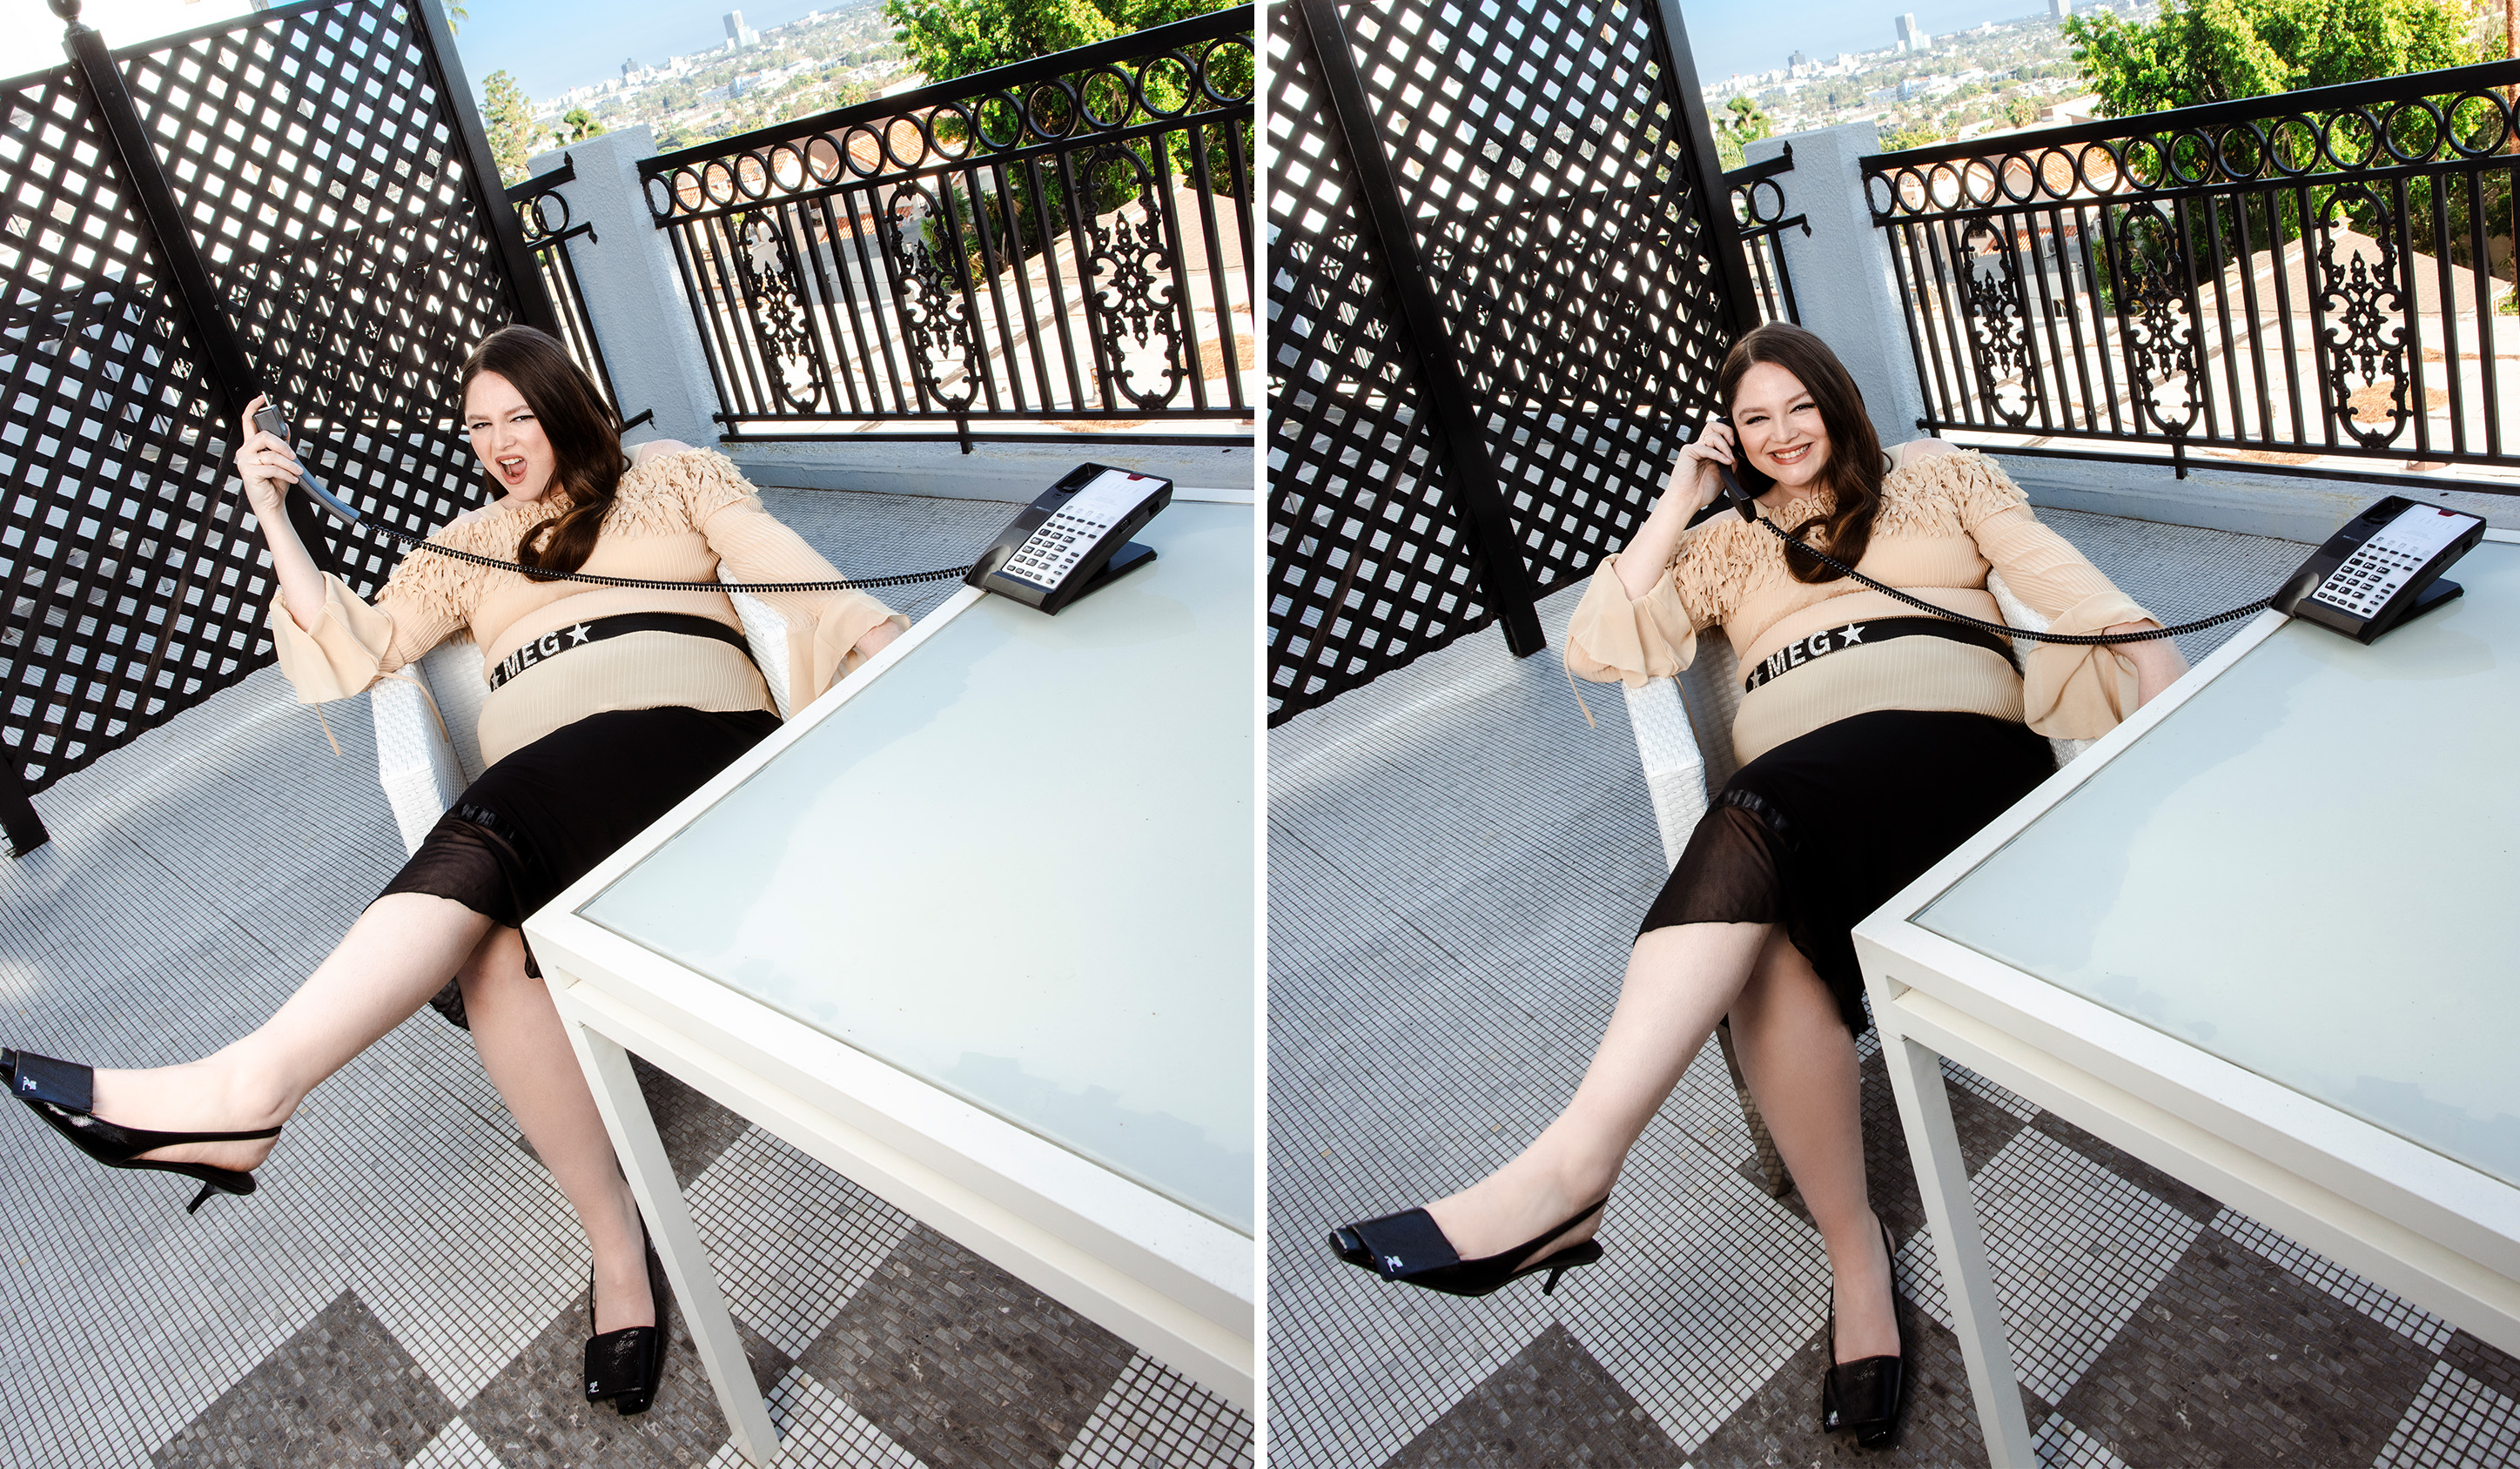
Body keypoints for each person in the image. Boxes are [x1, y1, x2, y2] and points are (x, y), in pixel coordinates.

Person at [2, 325, 907, 1417]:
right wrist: (274, 518)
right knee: (493, 960)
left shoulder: (667, 477)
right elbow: (360, 644)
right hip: (549, 791)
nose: (497, 441)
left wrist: (868, 631)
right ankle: (616, 1245)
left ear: (566, 403)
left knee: (504, 814)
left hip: (686, 736)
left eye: (517, 414)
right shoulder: (466, 542)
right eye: (478, 424)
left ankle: (250, 1089)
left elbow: (767, 552)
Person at [1327, 322, 2187, 1448]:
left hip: (1948, 755)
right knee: (1766, 951)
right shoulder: (1724, 546)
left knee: (1753, 825)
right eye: (1751, 419)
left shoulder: (1933, 476)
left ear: (1834, 400)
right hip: (1798, 795)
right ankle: (1853, 1256)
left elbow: (2047, 575)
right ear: (1726, 436)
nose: (1779, 435)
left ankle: (1570, 1173)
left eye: (1797, 407)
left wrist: (2142, 650)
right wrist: (1681, 495)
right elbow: (1597, 642)